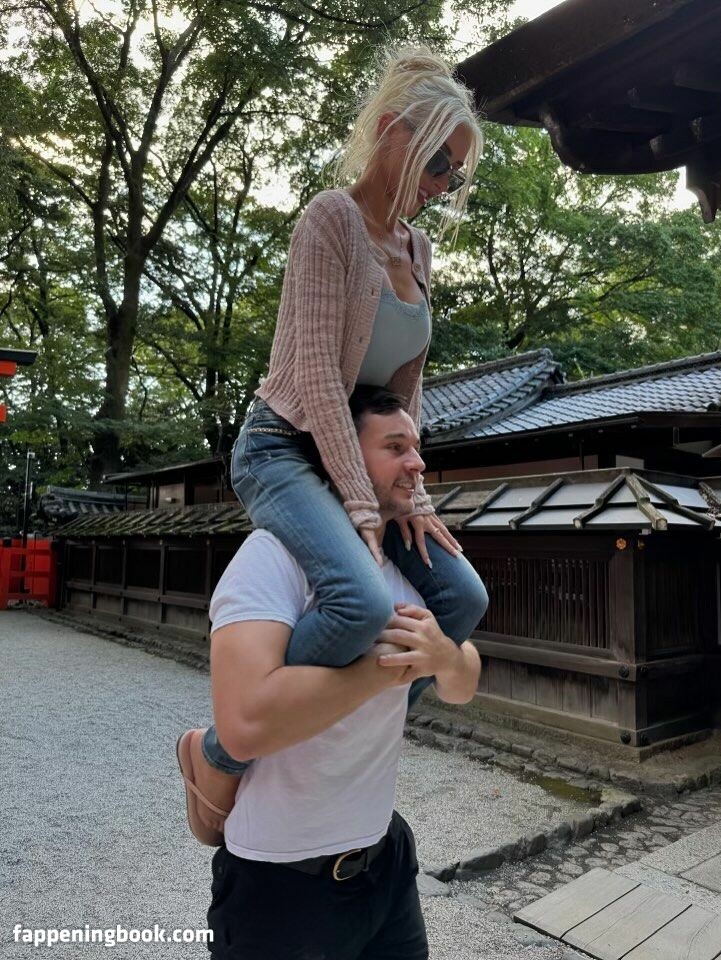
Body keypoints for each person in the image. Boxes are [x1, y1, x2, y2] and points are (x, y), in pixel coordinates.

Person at [177, 43, 488, 844]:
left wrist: (410, 493)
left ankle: (326, 718)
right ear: (391, 132)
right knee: (361, 601)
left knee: (461, 599)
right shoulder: (329, 220)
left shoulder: (419, 251)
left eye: (455, 173)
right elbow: (317, 376)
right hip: (284, 448)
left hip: (362, 457)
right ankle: (222, 751)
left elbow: (404, 392)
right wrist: (362, 503)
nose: (443, 184)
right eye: (437, 162)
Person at [203, 386, 481, 959]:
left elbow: (464, 684)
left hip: (386, 861)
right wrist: (381, 673)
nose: (417, 464)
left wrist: (443, 657)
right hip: (281, 879)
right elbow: (243, 725)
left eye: (417, 448)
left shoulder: (407, 565)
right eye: (396, 447)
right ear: (344, 457)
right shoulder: (271, 557)